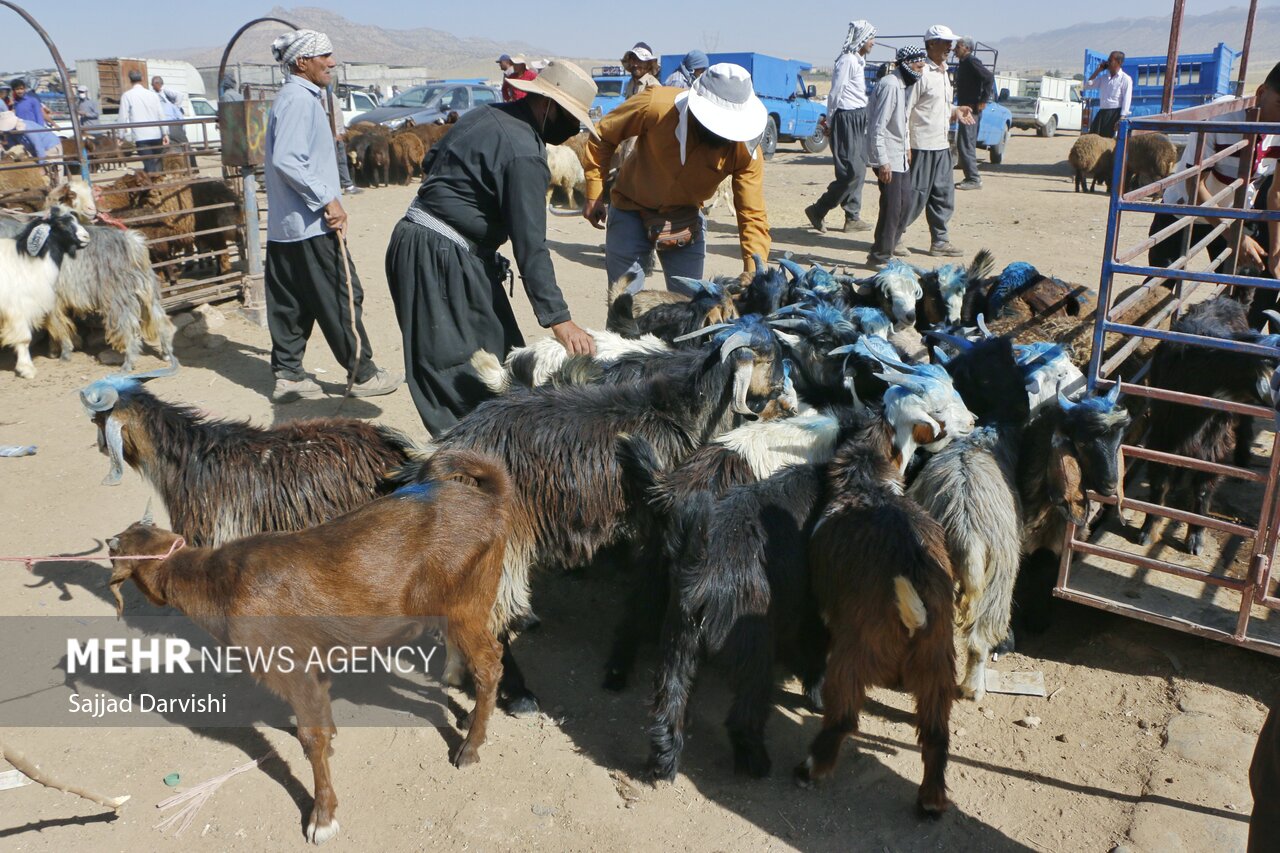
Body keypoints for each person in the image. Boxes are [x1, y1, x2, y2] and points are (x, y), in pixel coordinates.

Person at [385, 60, 597, 434]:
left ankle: (488, 451)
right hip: (437, 257)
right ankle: (465, 467)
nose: (573, 128)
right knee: (459, 369)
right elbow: (531, 246)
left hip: (435, 245)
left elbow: (433, 161)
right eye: (570, 116)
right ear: (548, 105)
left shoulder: (485, 114)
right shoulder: (525, 155)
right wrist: (560, 320)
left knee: (499, 356)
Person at [264, 28, 402, 403]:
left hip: (287, 227)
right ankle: (363, 373)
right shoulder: (299, 100)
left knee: (293, 302)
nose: (332, 62)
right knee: (342, 293)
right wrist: (328, 200)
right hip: (311, 224)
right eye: (324, 55)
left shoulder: (297, 97)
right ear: (302, 62)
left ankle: (290, 376)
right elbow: (288, 161)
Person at [583, 63, 770, 291]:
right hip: (630, 207)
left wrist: (754, 272)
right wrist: (594, 192)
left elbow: (752, 214)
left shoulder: (746, 150)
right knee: (624, 306)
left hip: (686, 218)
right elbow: (602, 135)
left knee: (689, 306)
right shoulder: (656, 107)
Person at [1149, 64, 1280, 324]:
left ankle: (1229, 352)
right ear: (1261, 92)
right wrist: (1234, 236)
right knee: (1162, 285)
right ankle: (1144, 349)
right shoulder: (1220, 117)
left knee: (1245, 286)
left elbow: (1276, 192)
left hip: (1233, 213)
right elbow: (1194, 186)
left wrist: (1276, 251)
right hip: (1184, 210)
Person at [904, 25, 974, 258]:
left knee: (943, 195)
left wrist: (956, 111)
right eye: (945, 42)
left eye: (951, 43)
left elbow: (937, 107)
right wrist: (905, 145)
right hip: (921, 145)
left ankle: (940, 241)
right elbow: (906, 110)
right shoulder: (920, 73)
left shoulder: (944, 72)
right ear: (931, 43)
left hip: (941, 145)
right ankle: (893, 236)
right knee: (914, 196)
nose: (950, 47)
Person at [805, 20, 876, 234]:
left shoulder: (858, 60)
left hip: (859, 116)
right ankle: (819, 209)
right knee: (849, 173)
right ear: (862, 38)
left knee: (860, 169)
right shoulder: (847, 60)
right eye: (871, 38)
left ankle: (852, 217)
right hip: (846, 118)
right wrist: (830, 120)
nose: (873, 43)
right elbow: (836, 93)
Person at [866, 47, 927, 267]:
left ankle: (884, 248)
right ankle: (879, 256)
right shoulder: (891, 85)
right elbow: (877, 126)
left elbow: (902, 119)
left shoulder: (904, 86)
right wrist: (882, 161)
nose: (921, 72)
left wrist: (907, 146)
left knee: (905, 204)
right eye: (918, 67)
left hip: (899, 155)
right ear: (906, 64)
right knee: (893, 207)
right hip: (887, 156)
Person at [953, 36, 994, 190]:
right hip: (965, 108)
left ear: (967, 48)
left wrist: (983, 99)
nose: (954, 49)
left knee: (966, 144)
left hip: (971, 110)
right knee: (964, 143)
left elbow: (988, 77)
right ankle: (970, 177)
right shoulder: (963, 63)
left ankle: (973, 179)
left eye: (958, 46)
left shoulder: (971, 61)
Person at [119, 69, 168, 173]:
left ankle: (152, 186)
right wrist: (165, 133)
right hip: (156, 134)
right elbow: (161, 115)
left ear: (130, 80)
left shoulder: (127, 96)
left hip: (141, 136)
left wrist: (121, 135)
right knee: (158, 163)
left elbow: (123, 117)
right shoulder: (152, 95)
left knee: (149, 164)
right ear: (142, 79)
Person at [10, 79, 59, 164]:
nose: (20, 91)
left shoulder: (32, 100)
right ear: (14, 90)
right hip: (24, 134)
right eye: (17, 89)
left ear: (25, 89)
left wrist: (40, 130)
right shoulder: (15, 103)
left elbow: (39, 115)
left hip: (35, 131)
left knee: (43, 157)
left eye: (21, 89)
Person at [1087, 51, 1131, 138]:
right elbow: (1088, 85)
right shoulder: (1104, 78)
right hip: (1102, 113)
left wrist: (1121, 118)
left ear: (1118, 62)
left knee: (1109, 142)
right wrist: (1098, 70)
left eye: (1110, 60)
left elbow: (1127, 99)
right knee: (1093, 138)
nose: (1108, 62)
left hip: (1115, 114)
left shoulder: (1125, 79)